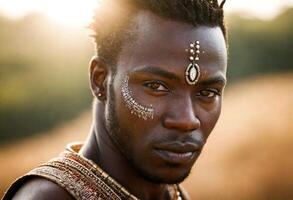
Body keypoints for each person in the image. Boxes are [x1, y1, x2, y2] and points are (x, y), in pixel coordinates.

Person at [2, 0, 228, 199]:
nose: (187, 120)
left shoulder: (172, 194)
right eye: (156, 86)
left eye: (207, 93)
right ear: (100, 80)